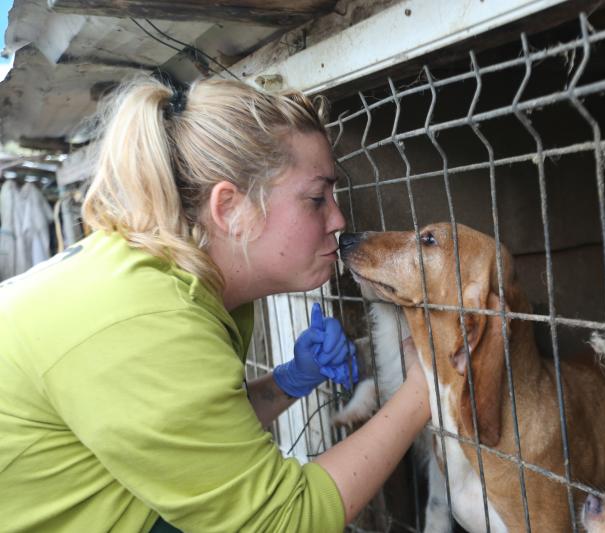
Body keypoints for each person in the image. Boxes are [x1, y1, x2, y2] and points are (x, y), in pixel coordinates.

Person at [0, 77, 431, 532]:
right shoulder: (150, 321)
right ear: (229, 209)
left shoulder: (178, 280)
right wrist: (425, 391)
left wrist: (290, 380)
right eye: (316, 199)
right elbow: (283, 521)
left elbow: (189, 442)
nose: (339, 219)